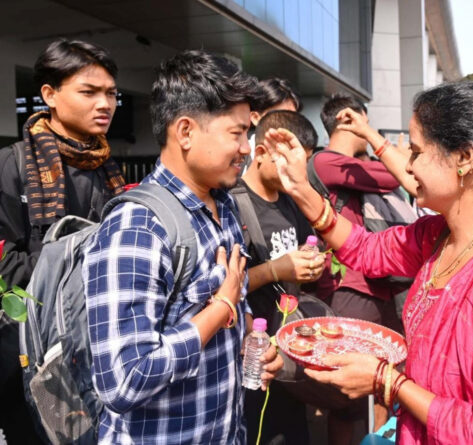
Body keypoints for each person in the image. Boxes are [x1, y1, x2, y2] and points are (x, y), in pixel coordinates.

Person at [264, 81, 473, 444]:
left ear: (465, 158)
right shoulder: (439, 236)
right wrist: (300, 187)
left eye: (416, 152)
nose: (408, 167)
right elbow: (366, 249)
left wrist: (387, 380)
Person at [82, 50, 283, 444]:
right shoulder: (138, 227)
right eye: (237, 133)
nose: (247, 148)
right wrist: (219, 311)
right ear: (186, 132)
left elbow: (232, 306)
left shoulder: (224, 206)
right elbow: (123, 381)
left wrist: (247, 341)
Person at [0, 39, 125, 444]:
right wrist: (73, 263)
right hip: (30, 349)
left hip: (97, 342)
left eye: (111, 94)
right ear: (49, 95)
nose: (104, 104)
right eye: (89, 92)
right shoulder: (13, 166)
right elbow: (5, 265)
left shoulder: (108, 170)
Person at [312, 93, 416, 444]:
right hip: (350, 287)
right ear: (347, 120)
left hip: (380, 285)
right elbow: (396, 176)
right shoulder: (324, 162)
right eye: (364, 123)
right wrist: (392, 153)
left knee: (383, 382)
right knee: (346, 400)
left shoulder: (357, 166)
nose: (368, 130)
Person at [239, 110, 325, 444]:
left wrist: (312, 264)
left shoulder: (290, 201)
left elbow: (307, 249)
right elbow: (223, 288)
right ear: (260, 153)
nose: (297, 174)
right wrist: (277, 269)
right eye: (289, 163)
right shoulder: (233, 204)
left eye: (303, 164)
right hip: (252, 353)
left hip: (289, 347)